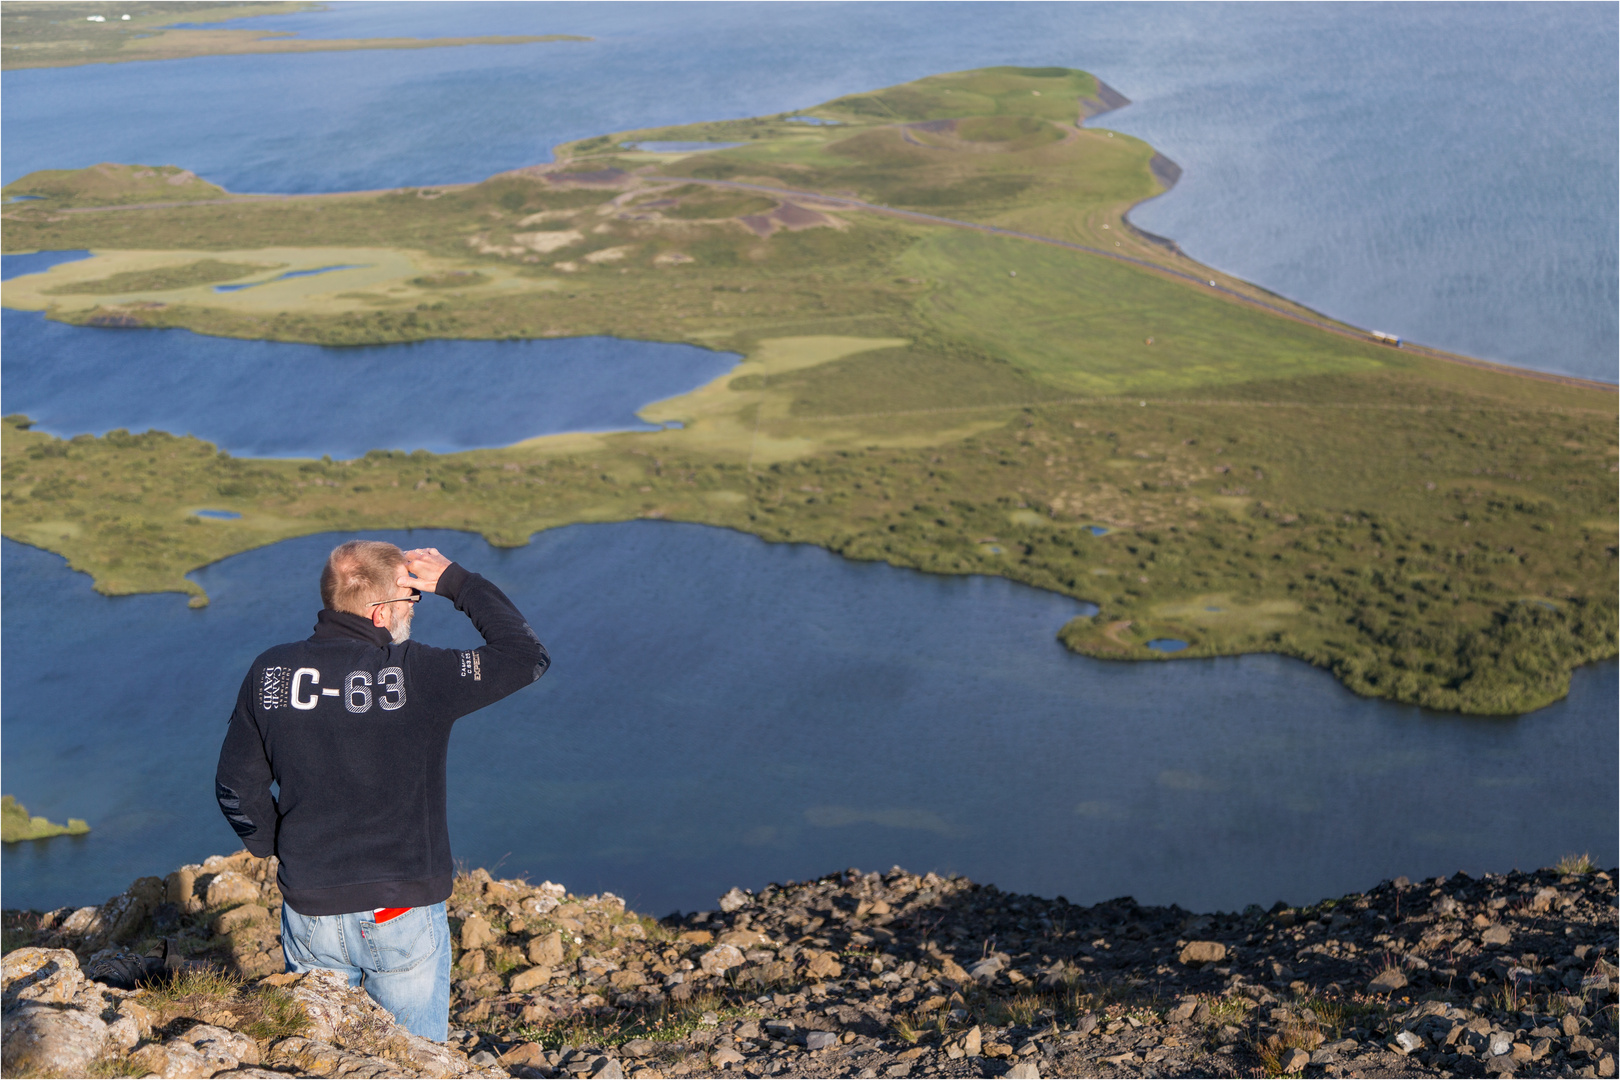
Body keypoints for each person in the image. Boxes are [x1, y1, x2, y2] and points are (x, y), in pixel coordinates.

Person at [215, 541, 548, 1041]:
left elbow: (234, 788)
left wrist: (275, 847)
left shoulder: (272, 672)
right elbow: (526, 656)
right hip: (400, 909)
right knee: (412, 1061)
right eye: (410, 599)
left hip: (310, 908)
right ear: (378, 612)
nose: (414, 610)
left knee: (319, 1059)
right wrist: (457, 582)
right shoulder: (416, 672)